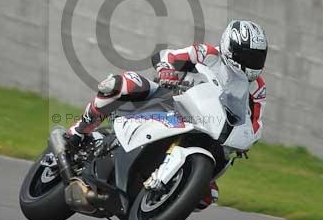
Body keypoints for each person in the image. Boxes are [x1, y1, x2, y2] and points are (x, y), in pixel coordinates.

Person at [64, 20, 268, 210]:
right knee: (126, 83)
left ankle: (161, 192)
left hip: (210, 128)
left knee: (207, 196)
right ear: (230, 48)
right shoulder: (207, 53)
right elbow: (168, 56)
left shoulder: (257, 87)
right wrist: (166, 70)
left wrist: (246, 139)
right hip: (170, 101)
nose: (253, 62)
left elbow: (256, 122)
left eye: (258, 57)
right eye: (248, 56)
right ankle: (79, 132)